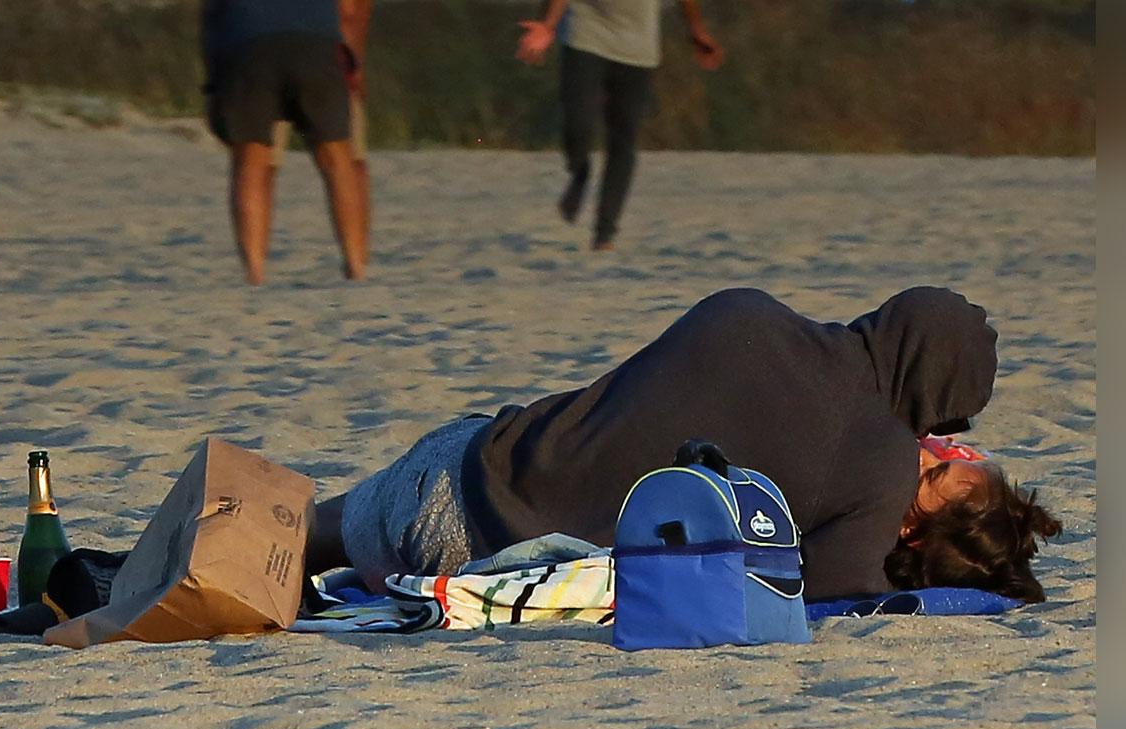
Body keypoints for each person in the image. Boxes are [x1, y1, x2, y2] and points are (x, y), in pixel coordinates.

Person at [304, 286, 1062, 603]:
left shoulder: (747, 313)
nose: (937, 443)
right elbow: (840, 589)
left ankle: (301, 532)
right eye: (947, 429)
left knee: (326, 524)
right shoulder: (878, 460)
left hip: (442, 480)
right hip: (486, 571)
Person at [515, 0, 724, 251]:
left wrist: (696, 30)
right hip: (586, 32)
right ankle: (579, 171)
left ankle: (605, 233)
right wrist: (548, 24)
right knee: (578, 121)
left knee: (623, 140)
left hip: (637, 48)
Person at [201, 0, 367, 285]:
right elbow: (350, 11)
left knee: (251, 159)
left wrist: (214, 74)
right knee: (336, 156)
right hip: (316, 43)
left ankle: (255, 271)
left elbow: (211, 15)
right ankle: (355, 265)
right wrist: (352, 61)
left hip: (249, 42)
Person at [270, 0, 373, 240]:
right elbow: (353, 13)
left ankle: (256, 263)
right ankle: (357, 252)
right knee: (349, 163)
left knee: (261, 163)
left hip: (280, 56)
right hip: (321, 61)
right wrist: (356, 62)